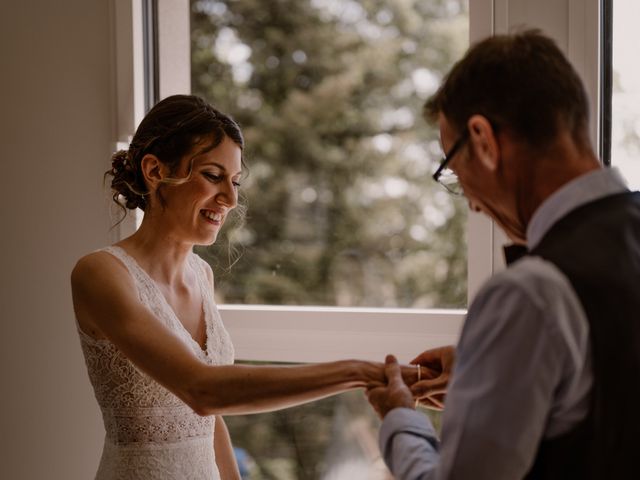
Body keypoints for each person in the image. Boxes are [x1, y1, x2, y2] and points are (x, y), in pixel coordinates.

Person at [71, 94, 431, 479]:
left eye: (236, 181)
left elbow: (210, 423)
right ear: (155, 170)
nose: (230, 198)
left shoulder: (201, 276)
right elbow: (203, 391)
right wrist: (358, 371)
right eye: (213, 176)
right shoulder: (101, 273)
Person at [366, 29, 640, 479]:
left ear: (484, 141)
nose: (472, 202)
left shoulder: (531, 295)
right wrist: (493, 366)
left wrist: (401, 420)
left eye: (454, 171)